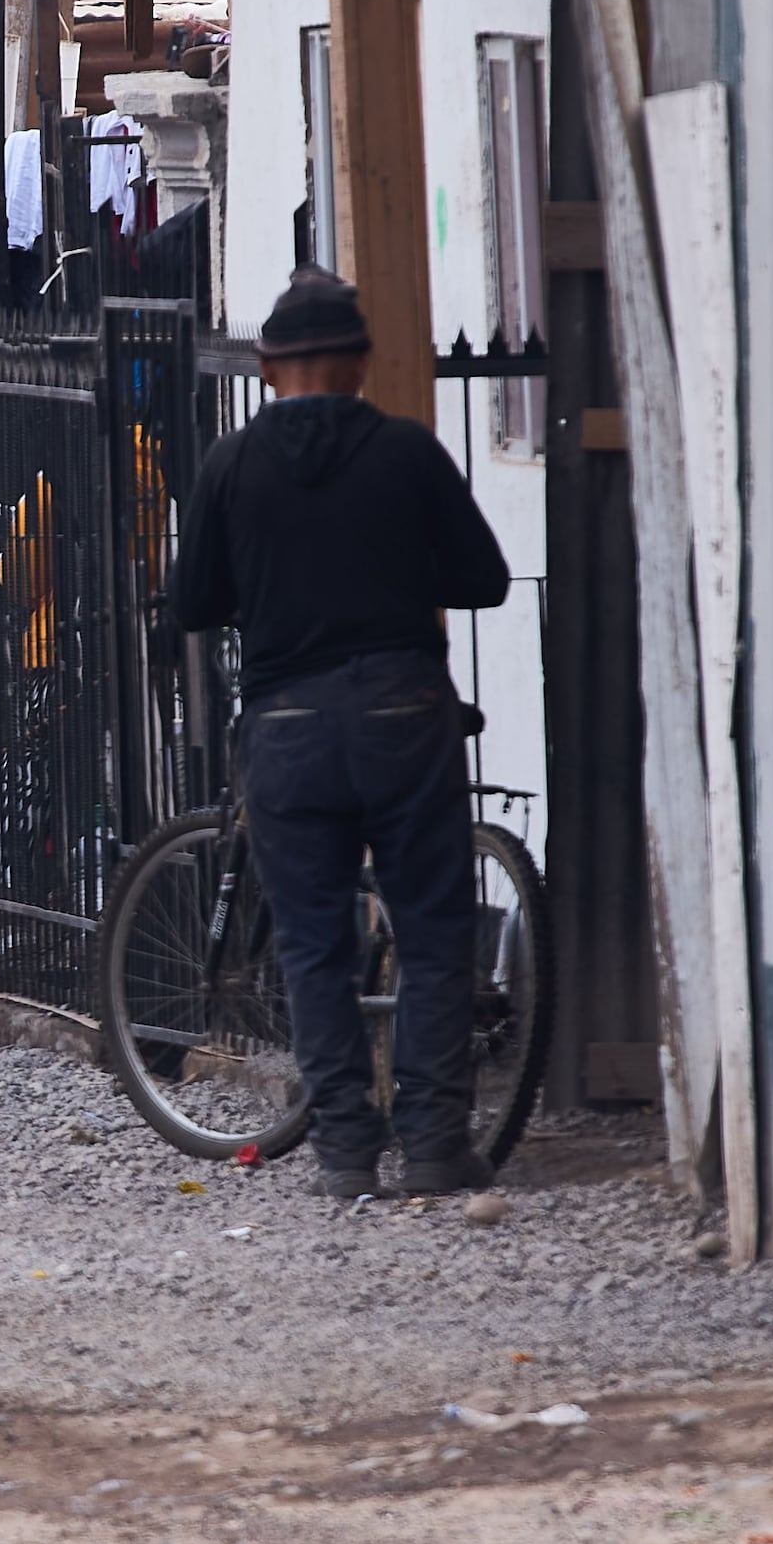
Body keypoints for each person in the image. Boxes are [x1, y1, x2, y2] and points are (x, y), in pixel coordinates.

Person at [163, 269, 514, 1200]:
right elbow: (486, 577)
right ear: (360, 361)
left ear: (270, 365)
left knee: (312, 944)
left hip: (289, 724)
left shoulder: (231, 464)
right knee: (435, 933)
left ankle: (347, 1153)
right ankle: (437, 1144)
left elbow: (192, 602)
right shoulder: (406, 453)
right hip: (405, 712)